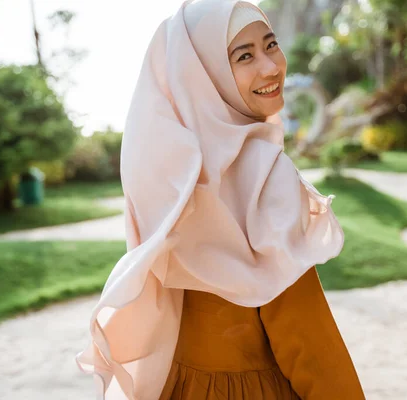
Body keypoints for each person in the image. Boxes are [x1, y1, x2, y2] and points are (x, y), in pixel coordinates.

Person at [76, 1, 365, 399]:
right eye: (243, 55)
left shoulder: (168, 174)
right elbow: (304, 335)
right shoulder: (264, 175)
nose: (270, 67)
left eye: (270, 44)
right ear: (204, 73)